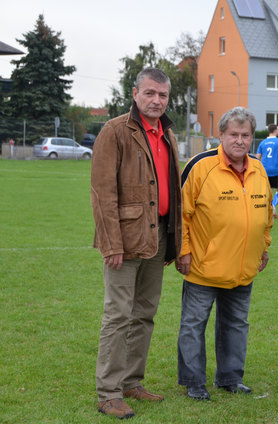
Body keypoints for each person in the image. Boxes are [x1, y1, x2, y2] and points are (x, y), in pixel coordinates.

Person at [91, 68, 182, 419]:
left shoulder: (168, 133)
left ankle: (132, 382)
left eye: (162, 95)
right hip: (124, 240)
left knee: (144, 313)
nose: (156, 100)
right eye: (150, 93)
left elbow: (172, 190)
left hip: (157, 235)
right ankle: (108, 393)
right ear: (135, 93)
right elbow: (102, 192)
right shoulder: (115, 130)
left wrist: (173, 240)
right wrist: (111, 243)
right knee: (118, 315)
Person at [176, 107, 273, 401]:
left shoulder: (259, 169)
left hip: (243, 267)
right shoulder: (199, 166)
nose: (240, 141)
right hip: (203, 266)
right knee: (194, 325)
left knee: (236, 324)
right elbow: (182, 215)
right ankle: (194, 381)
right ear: (221, 135)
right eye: (234, 134)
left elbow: (267, 214)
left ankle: (230, 377)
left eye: (245, 135)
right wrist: (183, 251)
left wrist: (264, 247)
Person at [256, 124, 278, 218]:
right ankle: (272, 207)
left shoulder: (263, 142)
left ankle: (269, 210)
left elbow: (257, 157)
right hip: (276, 169)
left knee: (269, 191)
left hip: (265, 170)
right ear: (276, 130)